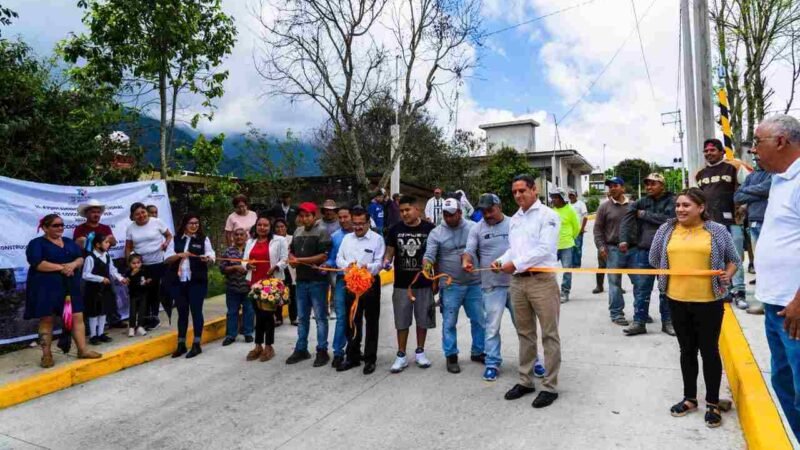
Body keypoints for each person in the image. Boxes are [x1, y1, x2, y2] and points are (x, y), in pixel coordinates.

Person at [649, 188, 740, 428]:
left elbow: (734, 260)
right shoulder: (666, 230)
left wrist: (726, 276)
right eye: (678, 205)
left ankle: (712, 402)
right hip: (676, 299)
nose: (680, 209)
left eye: (686, 205)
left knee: (709, 351)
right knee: (686, 350)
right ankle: (689, 398)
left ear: (700, 208)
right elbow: (654, 258)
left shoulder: (717, 231)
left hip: (709, 301)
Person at [492, 174, 562, 409]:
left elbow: (544, 249)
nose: (518, 195)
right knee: (525, 333)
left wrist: (516, 264)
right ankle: (525, 381)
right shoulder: (515, 219)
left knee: (549, 335)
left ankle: (550, 386)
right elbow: (514, 249)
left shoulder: (548, 216)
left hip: (541, 281)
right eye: (514, 192)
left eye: (522, 190)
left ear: (534, 190)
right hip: (518, 282)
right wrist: (501, 262)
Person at [751, 114, 800, 441]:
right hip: (775, 305)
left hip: (795, 308)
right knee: (783, 382)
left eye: (758, 142)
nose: (754, 150)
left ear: (781, 141)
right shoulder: (781, 180)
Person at [464, 193, 535, 382]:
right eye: (483, 211)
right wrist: (467, 261)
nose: (487, 214)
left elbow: (525, 249)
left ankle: (533, 361)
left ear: (499, 206)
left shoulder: (514, 224)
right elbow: (469, 250)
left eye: (490, 210)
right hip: (491, 286)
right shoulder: (477, 229)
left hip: (516, 284)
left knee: (524, 327)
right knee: (492, 328)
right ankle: (492, 363)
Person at [25, 214, 101, 368]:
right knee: (47, 319)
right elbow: (38, 263)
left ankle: (82, 350)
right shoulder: (36, 243)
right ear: (45, 228)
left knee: (76, 317)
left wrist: (73, 265)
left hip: (69, 287)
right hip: (46, 288)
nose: (60, 227)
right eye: (55, 225)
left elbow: (80, 258)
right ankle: (46, 356)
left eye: (61, 225)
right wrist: (63, 267)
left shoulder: (68, 242)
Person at [423, 198, 485, 374]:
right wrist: (426, 265)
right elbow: (429, 255)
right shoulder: (436, 233)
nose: (449, 218)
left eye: (452, 214)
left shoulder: (474, 227)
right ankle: (451, 356)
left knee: (479, 320)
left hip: (474, 283)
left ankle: (478, 351)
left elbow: (483, 250)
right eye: (445, 214)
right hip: (451, 285)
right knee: (449, 322)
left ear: (460, 212)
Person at [384, 195, 436, 373]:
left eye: (407, 210)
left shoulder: (430, 229)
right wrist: (386, 261)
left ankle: (420, 352)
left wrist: (435, 280)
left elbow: (436, 255)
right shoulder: (394, 229)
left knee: (423, 319)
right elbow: (389, 252)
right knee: (402, 321)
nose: (404, 213)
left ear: (417, 209)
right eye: (402, 211)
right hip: (401, 284)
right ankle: (401, 355)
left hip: (423, 283)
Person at [619, 173, 676, 337]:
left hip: (667, 251)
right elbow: (627, 220)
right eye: (647, 184)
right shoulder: (640, 202)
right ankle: (639, 322)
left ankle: (668, 322)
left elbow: (671, 220)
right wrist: (624, 240)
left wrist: (645, 215)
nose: (649, 187)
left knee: (666, 289)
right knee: (642, 289)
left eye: (653, 184)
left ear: (662, 185)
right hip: (644, 251)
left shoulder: (672, 201)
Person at [336, 206, 386, 374]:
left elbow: (379, 263)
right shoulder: (347, 239)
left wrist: (367, 268)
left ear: (368, 223)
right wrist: (347, 266)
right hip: (350, 284)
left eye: (361, 224)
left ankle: (370, 359)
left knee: (371, 322)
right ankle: (353, 357)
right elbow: (339, 259)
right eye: (354, 223)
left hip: (370, 285)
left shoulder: (377, 239)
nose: (357, 227)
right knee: (352, 321)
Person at [286, 202, 332, 367]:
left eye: (308, 216)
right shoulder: (297, 232)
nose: (304, 219)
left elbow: (323, 256)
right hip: (301, 280)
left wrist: (299, 260)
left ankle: (322, 350)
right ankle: (301, 349)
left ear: (315, 216)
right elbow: (291, 250)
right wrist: (291, 258)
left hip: (318, 281)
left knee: (320, 318)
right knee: (302, 317)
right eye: (302, 216)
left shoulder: (322, 232)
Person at [164, 213, 215, 359]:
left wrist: (208, 259)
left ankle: (196, 344)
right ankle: (181, 344)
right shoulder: (175, 239)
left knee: (196, 311)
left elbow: (211, 255)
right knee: (182, 312)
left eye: (196, 223)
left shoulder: (203, 239)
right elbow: (167, 258)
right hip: (179, 281)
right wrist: (179, 255)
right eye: (191, 223)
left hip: (197, 281)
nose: (194, 226)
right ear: (185, 224)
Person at [243, 216, 288, 362]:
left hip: (271, 284)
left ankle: (269, 347)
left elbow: (284, 259)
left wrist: (276, 266)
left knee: (267, 316)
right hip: (254, 283)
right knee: (258, 314)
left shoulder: (279, 240)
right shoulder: (250, 241)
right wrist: (247, 266)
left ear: (270, 227)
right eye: (260, 225)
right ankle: (258, 346)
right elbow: (244, 260)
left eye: (266, 225)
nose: (262, 228)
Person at [73, 199, 125, 328]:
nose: (96, 214)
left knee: (110, 292)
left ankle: (114, 319)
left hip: (104, 263)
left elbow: (112, 243)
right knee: (87, 294)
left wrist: (110, 241)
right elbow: (77, 245)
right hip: (88, 264)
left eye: (98, 212)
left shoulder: (105, 228)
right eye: (93, 212)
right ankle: (86, 324)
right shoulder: (80, 229)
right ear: (86, 214)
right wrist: (84, 242)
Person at [125, 203, 172, 330]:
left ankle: (154, 318)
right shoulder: (131, 228)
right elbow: (128, 247)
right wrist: (129, 264)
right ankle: (144, 319)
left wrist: (166, 243)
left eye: (143, 212)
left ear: (146, 212)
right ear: (133, 216)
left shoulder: (157, 222)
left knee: (155, 292)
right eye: (137, 214)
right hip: (141, 265)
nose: (141, 215)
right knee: (143, 291)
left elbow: (169, 235)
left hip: (157, 263)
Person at [594, 177, 634, 326]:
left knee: (639, 282)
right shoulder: (604, 207)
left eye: (615, 185)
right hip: (612, 249)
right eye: (610, 186)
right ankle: (617, 313)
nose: (612, 188)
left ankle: (641, 312)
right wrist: (601, 247)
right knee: (614, 283)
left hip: (633, 249)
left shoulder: (632, 206)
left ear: (623, 188)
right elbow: (597, 229)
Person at [734, 160, 772, 313]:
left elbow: (769, 188)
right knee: (760, 264)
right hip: (754, 222)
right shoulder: (752, 175)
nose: (757, 155)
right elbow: (737, 197)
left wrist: (749, 192)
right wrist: (759, 193)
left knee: (771, 265)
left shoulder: (775, 172)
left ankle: (770, 303)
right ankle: (765, 303)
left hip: (769, 222)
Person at [82, 233, 127, 345]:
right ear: (97, 244)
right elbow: (85, 274)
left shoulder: (106, 255)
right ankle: (93, 335)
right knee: (94, 313)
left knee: (103, 311)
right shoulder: (90, 257)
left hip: (105, 289)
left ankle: (101, 333)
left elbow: (112, 270)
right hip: (94, 289)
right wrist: (100, 278)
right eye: (106, 242)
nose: (108, 244)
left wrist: (121, 278)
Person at [323, 207, 354, 369]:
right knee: (342, 317)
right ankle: (338, 352)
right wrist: (325, 265)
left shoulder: (360, 234)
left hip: (359, 282)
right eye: (340, 217)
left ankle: (354, 349)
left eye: (345, 217)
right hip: (342, 280)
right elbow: (332, 259)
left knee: (355, 317)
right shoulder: (335, 237)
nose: (342, 220)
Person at [220, 228, 255, 346]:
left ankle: (248, 333)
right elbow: (222, 269)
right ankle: (231, 335)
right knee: (232, 312)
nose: (239, 237)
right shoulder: (228, 252)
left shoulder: (251, 251)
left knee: (249, 311)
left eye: (242, 235)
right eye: (237, 235)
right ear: (233, 237)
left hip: (248, 288)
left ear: (246, 237)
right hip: (232, 288)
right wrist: (235, 268)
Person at [549, 188, 580, 304]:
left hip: (567, 245)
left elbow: (576, 227)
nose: (553, 200)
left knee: (567, 270)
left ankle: (565, 292)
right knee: (549, 270)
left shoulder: (570, 210)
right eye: (552, 197)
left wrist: (570, 238)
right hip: (553, 246)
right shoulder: (551, 212)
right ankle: (551, 292)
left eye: (556, 197)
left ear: (562, 198)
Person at [274, 218, 298, 325]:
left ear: (286, 228)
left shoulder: (292, 238)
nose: (280, 229)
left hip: (291, 269)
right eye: (277, 227)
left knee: (293, 294)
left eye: (282, 226)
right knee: (278, 294)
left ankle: (293, 318)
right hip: (279, 269)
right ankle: (278, 318)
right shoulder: (273, 240)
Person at [124, 253, 150, 338]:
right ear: (130, 264)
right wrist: (132, 274)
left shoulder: (144, 270)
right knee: (133, 311)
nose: (136, 265)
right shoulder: (128, 272)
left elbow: (149, 277)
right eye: (133, 263)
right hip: (133, 295)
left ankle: (140, 326)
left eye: (138, 263)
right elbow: (127, 281)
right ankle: (132, 327)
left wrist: (148, 280)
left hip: (143, 294)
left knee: (142, 310)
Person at [569, 189, 588, 270]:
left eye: (573, 195)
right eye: (570, 195)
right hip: (569, 231)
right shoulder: (568, 205)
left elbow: (585, 217)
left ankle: (577, 264)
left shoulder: (581, 204)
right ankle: (572, 263)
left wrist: (582, 228)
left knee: (577, 247)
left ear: (576, 195)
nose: (571, 197)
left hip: (578, 230)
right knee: (570, 248)